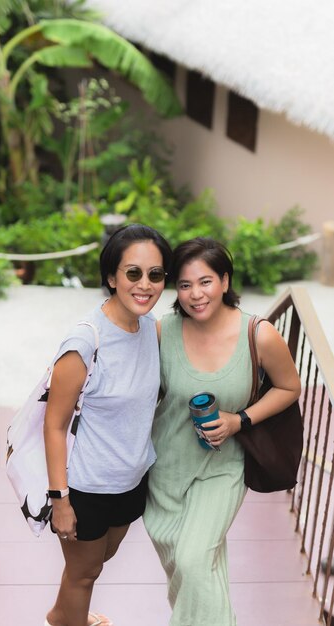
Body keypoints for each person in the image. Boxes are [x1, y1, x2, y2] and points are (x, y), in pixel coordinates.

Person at [144, 237, 301, 626]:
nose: (195, 294)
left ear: (225, 281)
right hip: (166, 469)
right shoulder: (163, 332)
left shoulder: (258, 335)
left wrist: (239, 420)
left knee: (195, 559)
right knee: (189, 573)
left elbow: (289, 387)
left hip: (222, 468)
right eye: (184, 285)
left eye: (205, 281)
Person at [43, 223, 172, 626]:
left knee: (97, 562)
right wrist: (60, 500)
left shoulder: (152, 329)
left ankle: (61, 615)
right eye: (133, 273)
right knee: (85, 572)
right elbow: (54, 425)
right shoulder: (85, 342)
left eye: (155, 274)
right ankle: (70, 620)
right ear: (112, 277)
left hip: (131, 478)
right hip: (86, 487)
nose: (145, 284)